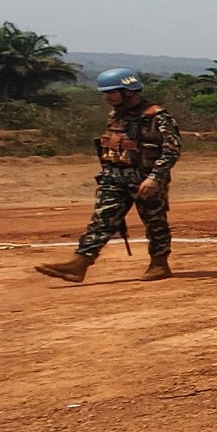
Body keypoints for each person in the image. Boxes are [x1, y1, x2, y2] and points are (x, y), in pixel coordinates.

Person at [37, 69, 180, 283]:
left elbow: (171, 151)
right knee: (101, 220)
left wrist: (155, 177)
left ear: (129, 91)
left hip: (145, 179)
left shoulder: (157, 117)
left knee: (155, 222)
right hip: (114, 178)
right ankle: (79, 264)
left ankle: (159, 264)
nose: (107, 98)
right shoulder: (115, 115)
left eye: (111, 92)